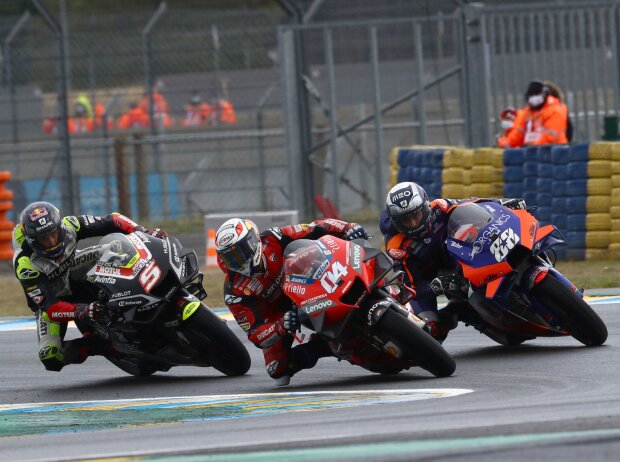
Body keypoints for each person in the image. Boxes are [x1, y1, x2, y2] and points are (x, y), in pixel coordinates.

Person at [12, 201, 168, 372]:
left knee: (115, 249)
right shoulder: (25, 265)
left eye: (54, 234)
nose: (51, 241)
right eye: (44, 239)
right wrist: (82, 311)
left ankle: (150, 286)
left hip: (73, 268)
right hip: (54, 299)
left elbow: (113, 220)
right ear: (33, 240)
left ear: (60, 227)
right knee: (50, 357)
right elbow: (50, 307)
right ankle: (98, 345)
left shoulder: (70, 225)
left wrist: (143, 231)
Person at [215, 217, 368, 386]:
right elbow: (255, 333)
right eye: (230, 257)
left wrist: (348, 228)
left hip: (308, 280)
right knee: (277, 370)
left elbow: (314, 227)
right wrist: (280, 325)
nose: (238, 260)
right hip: (283, 313)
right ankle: (323, 346)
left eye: (241, 251)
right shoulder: (233, 291)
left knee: (352, 250)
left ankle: (385, 288)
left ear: (253, 241)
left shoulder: (273, 237)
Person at [379, 181, 527, 342]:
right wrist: (435, 286)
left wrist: (502, 203)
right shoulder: (396, 247)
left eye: (416, 216)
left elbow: (471, 203)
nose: (414, 224)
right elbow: (409, 288)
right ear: (396, 222)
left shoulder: (439, 207)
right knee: (432, 330)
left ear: (425, 206)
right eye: (406, 221)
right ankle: (465, 314)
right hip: (430, 278)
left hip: (455, 254)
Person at [497, 80, 568, 148]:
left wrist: (533, 146)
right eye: (531, 95)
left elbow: (551, 136)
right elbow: (519, 134)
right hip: (533, 153)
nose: (534, 98)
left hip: (553, 152)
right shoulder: (528, 112)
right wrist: (504, 142)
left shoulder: (554, 110)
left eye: (536, 94)